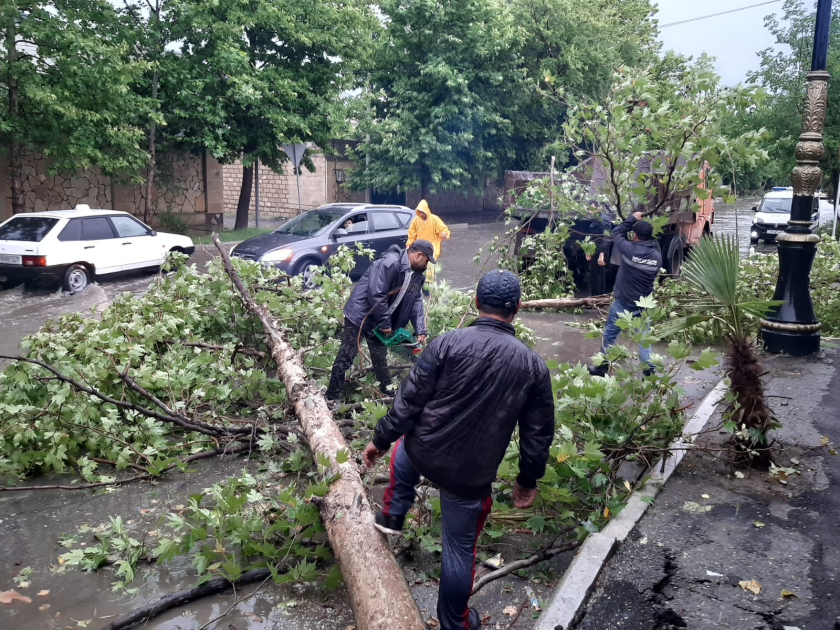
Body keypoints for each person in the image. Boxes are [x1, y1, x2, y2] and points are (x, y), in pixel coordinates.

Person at [362, 270, 555, 630]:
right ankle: (455, 624)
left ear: (478, 303)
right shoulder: (533, 367)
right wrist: (527, 480)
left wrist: (380, 439)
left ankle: (392, 514)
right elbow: (538, 433)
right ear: (516, 310)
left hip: (423, 450)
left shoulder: (447, 343)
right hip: (471, 477)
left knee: (403, 449)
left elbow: (409, 401)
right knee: (459, 550)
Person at [325, 240, 435, 402]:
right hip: (361, 316)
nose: (427, 264)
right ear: (419, 255)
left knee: (379, 357)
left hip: (381, 321)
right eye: (427, 260)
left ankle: (388, 393)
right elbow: (376, 294)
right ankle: (331, 398)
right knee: (347, 355)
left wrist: (420, 329)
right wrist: (385, 324)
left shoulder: (416, 275)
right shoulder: (390, 263)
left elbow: (416, 301)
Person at [588, 211, 662, 377]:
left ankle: (602, 367)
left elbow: (616, 232)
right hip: (643, 304)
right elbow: (654, 243)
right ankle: (649, 370)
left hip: (623, 302)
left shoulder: (629, 250)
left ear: (634, 235)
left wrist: (632, 218)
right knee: (644, 338)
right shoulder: (657, 257)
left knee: (610, 335)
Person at [407, 199, 450, 286]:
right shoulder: (416, 220)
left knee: (430, 267)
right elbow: (412, 234)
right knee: (419, 267)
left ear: (426, 211)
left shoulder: (435, 219)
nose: (421, 214)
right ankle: (419, 284)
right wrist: (409, 245)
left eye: (422, 212)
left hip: (432, 248)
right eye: (420, 212)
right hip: (420, 248)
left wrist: (444, 234)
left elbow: (443, 230)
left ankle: (429, 288)